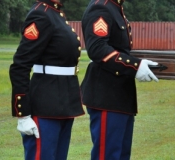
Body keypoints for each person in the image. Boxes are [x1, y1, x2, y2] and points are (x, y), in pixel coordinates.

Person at [81, 0, 159, 159]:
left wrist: (140, 63)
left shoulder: (115, 8)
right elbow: (97, 48)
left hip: (120, 94)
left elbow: (119, 48)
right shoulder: (101, 7)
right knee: (107, 155)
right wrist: (135, 65)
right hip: (106, 94)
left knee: (122, 154)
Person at [9, 0, 85, 159]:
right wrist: (22, 114)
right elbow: (20, 65)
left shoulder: (55, 13)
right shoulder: (41, 14)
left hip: (63, 104)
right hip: (45, 105)